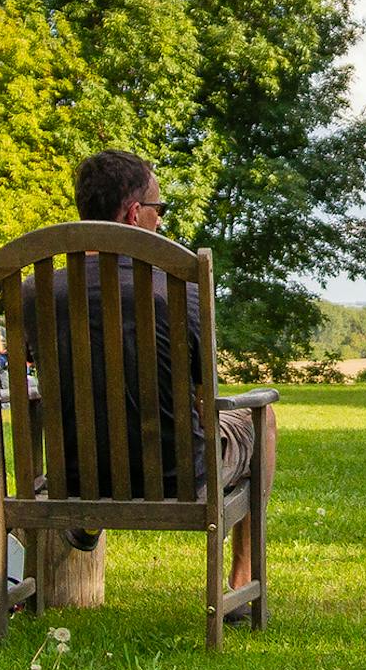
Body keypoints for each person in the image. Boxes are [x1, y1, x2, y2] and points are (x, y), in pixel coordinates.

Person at [54, 149, 279, 602]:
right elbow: (204, 397)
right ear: (135, 214)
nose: (161, 220)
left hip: (72, 478)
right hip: (177, 477)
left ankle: (86, 517)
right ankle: (241, 578)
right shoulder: (178, 292)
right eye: (159, 209)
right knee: (264, 417)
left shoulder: (36, 291)